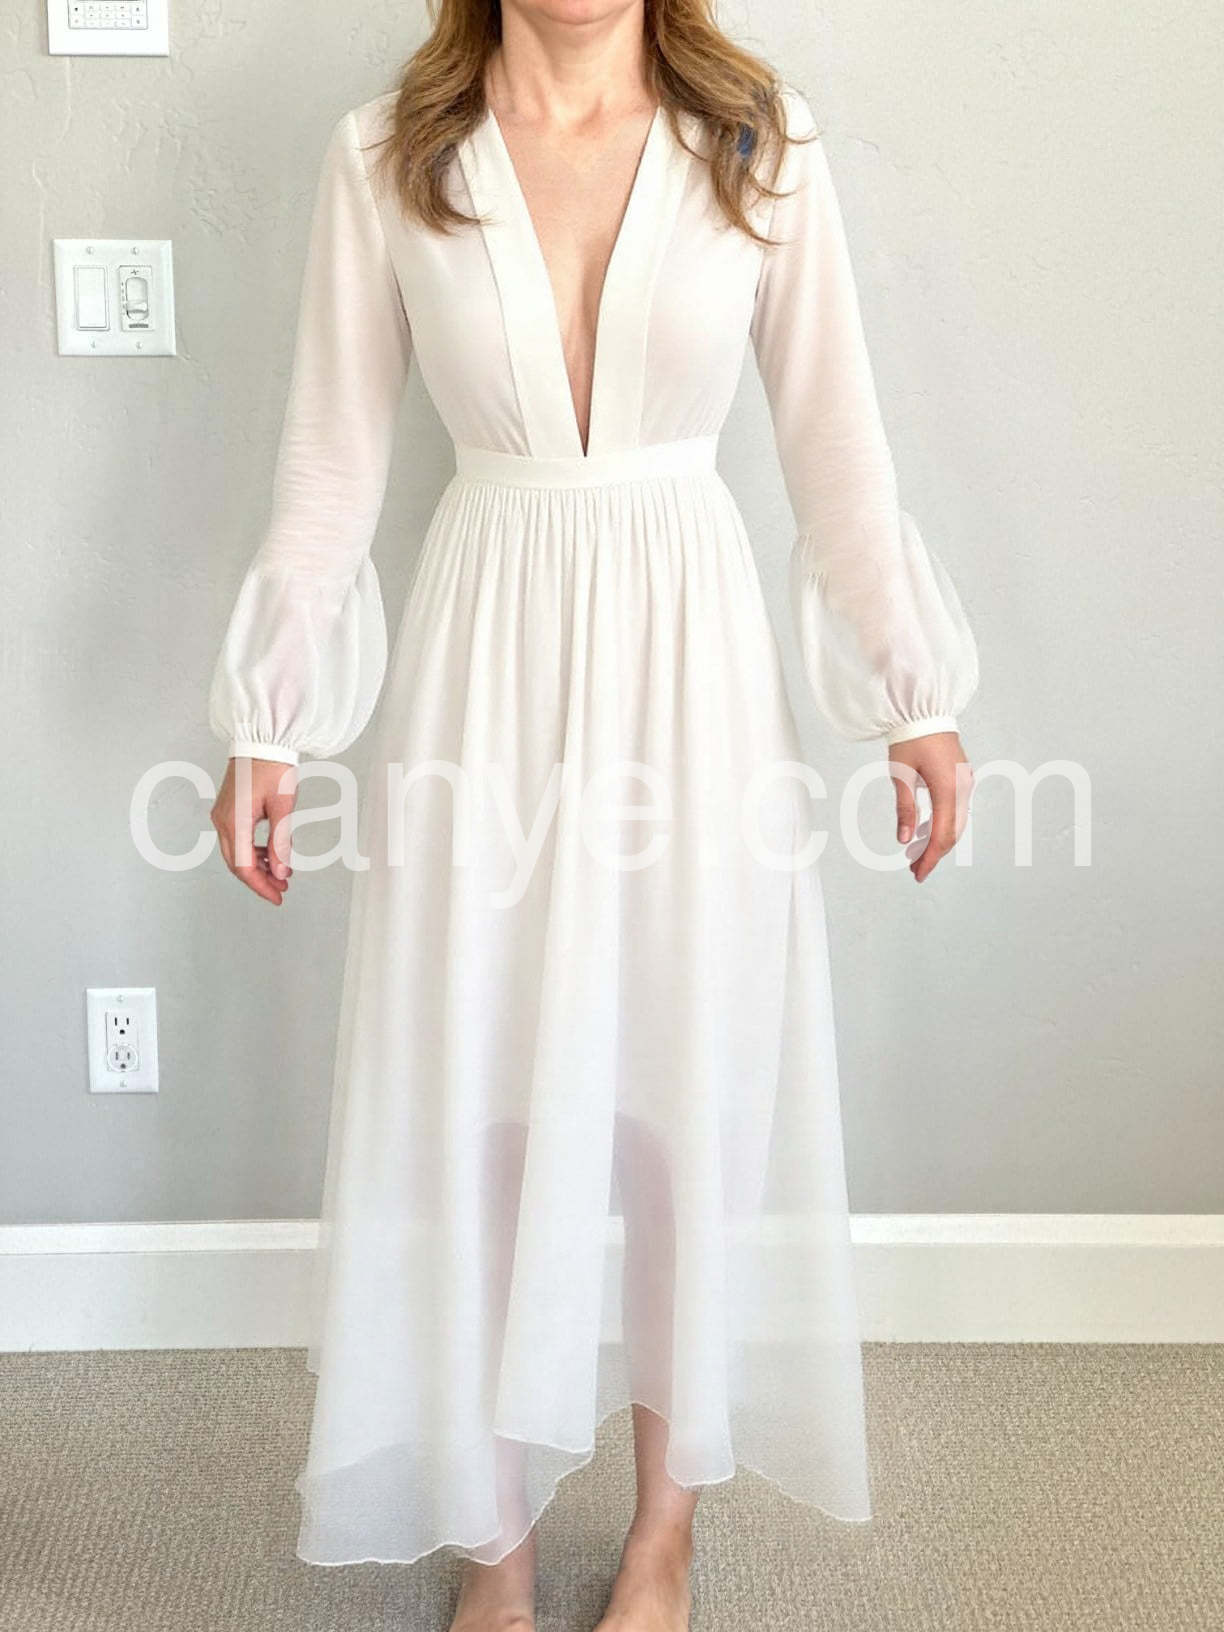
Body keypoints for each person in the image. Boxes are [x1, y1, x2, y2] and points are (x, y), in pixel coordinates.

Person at [208, 1, 978, 1626]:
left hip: (691, 672)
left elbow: (836, 443)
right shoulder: (388, 155)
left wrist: (911, 692)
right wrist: (273, 718)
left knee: (686, 1101)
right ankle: (490, 1537)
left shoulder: (757, 142)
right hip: (483, 668)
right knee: (478, 1101)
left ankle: (662, 1537)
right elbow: (331, 464)